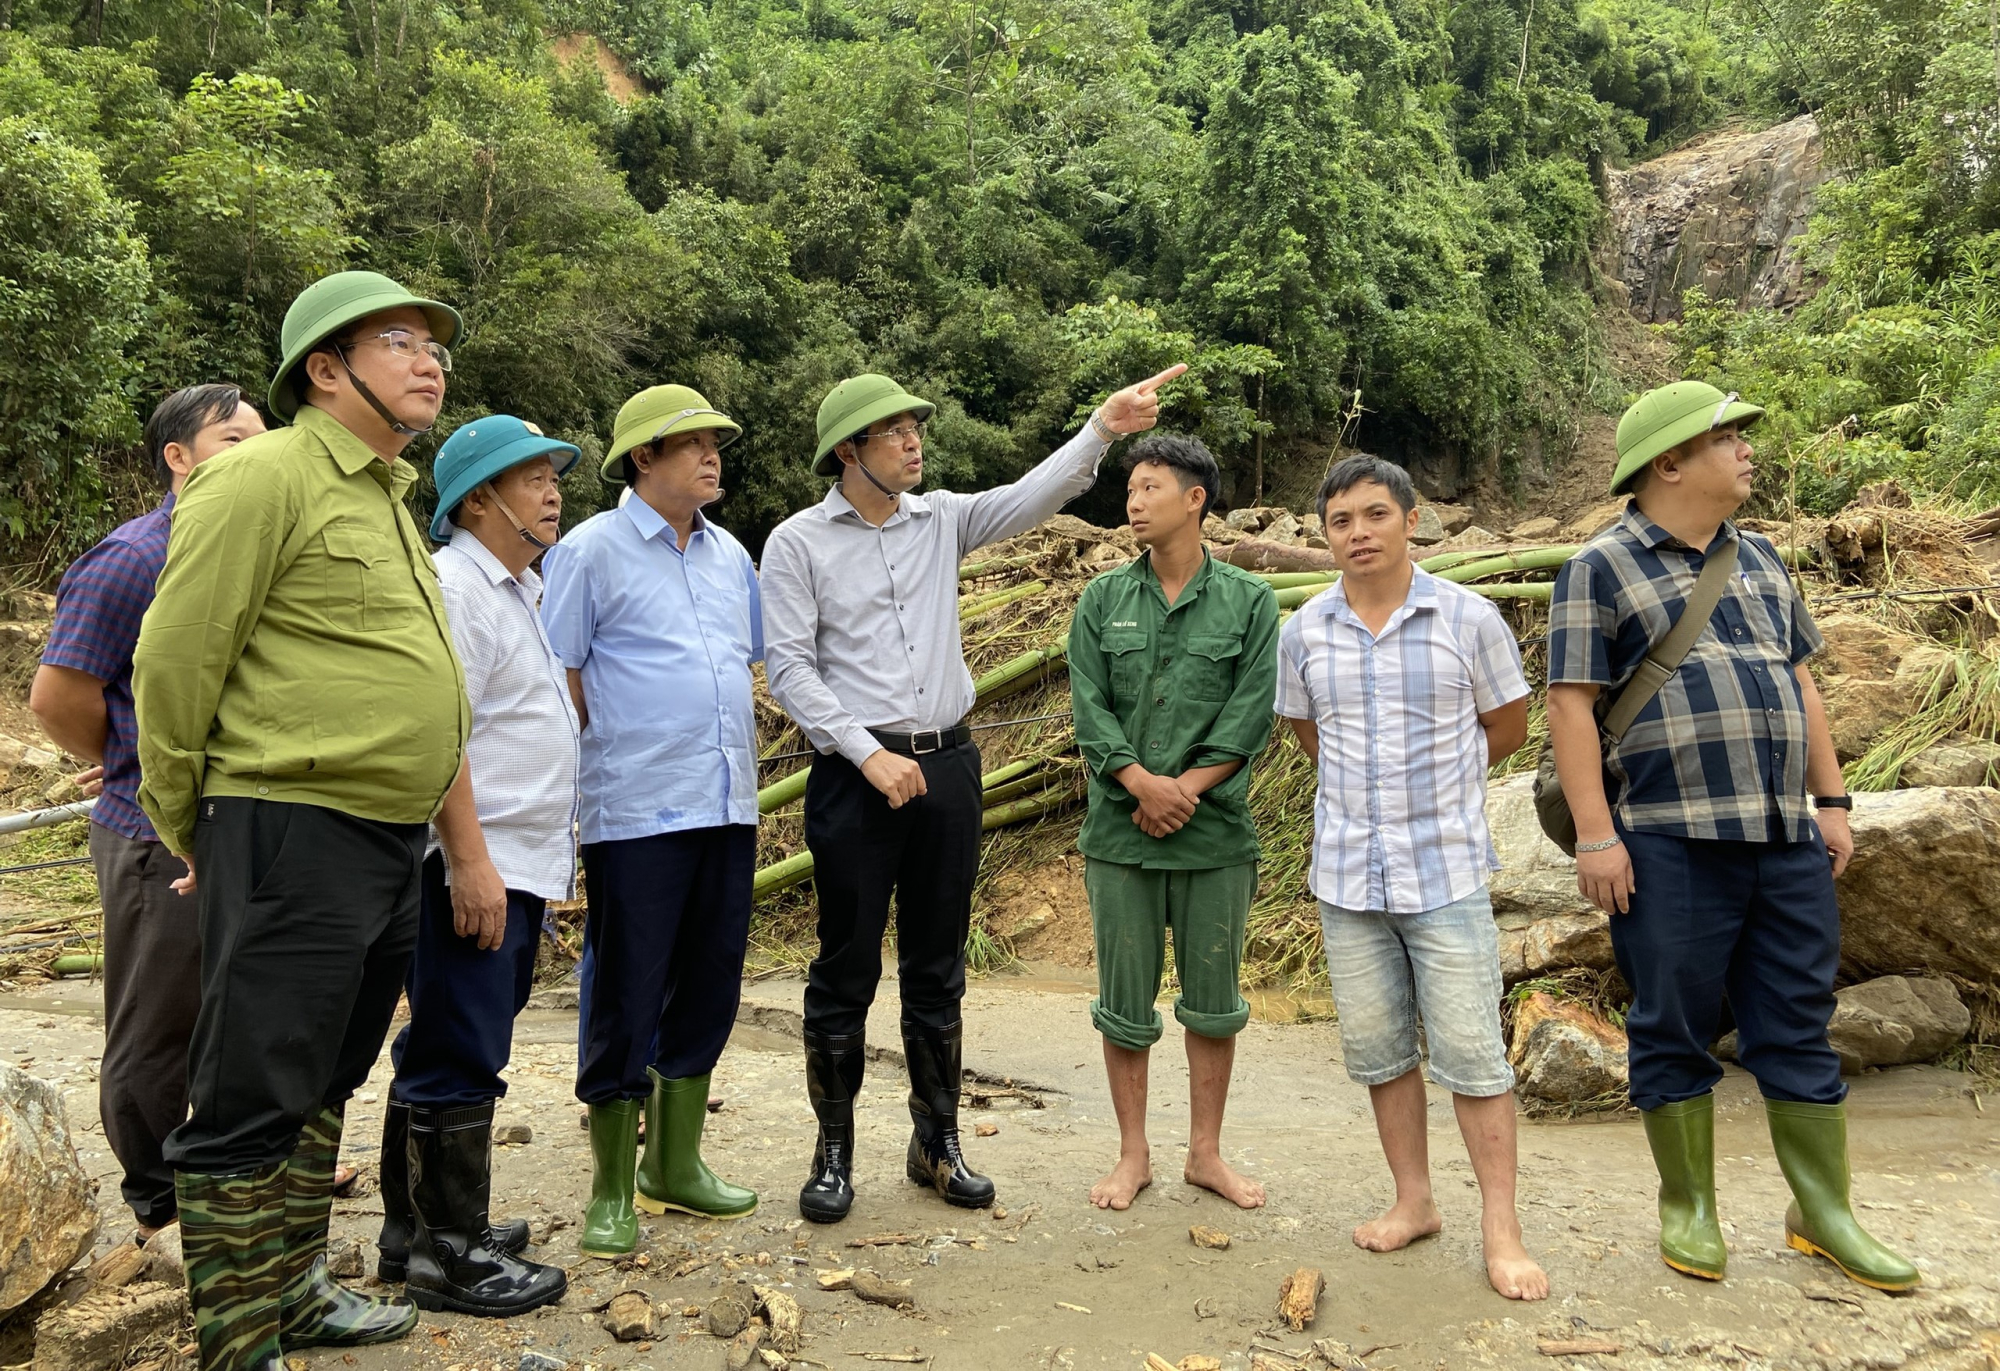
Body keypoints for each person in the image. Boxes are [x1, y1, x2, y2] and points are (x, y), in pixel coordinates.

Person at [133, 270, 470, 1371]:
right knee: (248, 1088)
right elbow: (176, 660)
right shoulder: (261, 478)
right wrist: (190, 824)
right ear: (325, 370)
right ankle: (236, 1347)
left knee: (323, 1075)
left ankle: (297, 1296)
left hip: (381, 836)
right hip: (288, 819)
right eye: (398, 342)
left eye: (433, 345)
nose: (430, 361)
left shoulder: (384, 495)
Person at [762, 364, 1185, 1224]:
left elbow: (1035, 494)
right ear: (848, 451)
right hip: (855, 776)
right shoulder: (797, 542)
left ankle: (936, 1141)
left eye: (916, 427)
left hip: (949, 769)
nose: (914, 440)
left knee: (937, 961)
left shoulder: (942, 519)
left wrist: (1103, 427)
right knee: (844, 966)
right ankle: (833, 1151)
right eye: (893, 432)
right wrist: (865, 753)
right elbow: (791, 668)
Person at [1545, 381, 1919, 1292]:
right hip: (1667, 838)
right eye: (1728, 435)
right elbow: (1569, 703)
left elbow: (1801, 685)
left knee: (1798, 1015)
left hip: (1781, 833)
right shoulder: (1600, 565)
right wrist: (1598, 837)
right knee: (1671, 1019)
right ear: (1668, 462)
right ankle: (1690, 1207)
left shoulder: (1757, 559)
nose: (1748, 448)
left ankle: (1823, 1212)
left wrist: (1831, 801)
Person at [1275, 455, 1547, 1302]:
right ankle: (1414, 1199)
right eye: (1341, 522)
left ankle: (1500, 1229)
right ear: (1326, 536)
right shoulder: (1306, 629)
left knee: (1473, 1055)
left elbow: (1506, 725)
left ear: (1412, 519)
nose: (1358, 533)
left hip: (1446, 871)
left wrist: (1434, 793)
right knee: (1382, 1050)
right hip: (1348, 876)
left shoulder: (1469, 618)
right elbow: (1302, 728)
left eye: (1374, 515)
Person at [32, 384, 265, 1246]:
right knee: (157, 1020)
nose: (256, 453)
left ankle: (224, 1165)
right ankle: (157, 1196)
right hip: (150, 831)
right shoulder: (134, 557)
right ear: (179, 456)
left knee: (232, 1008)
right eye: (234, 437)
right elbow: (58, 697)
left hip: (244, 823)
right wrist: (130, 757)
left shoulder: (254, 548)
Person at [540, 384, 763, 1258]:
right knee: (628, 987)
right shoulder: (590, 552)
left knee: (712, 975)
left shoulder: (728, 555)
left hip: (725, 800)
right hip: (635, 807)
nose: (713, 456)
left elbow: (739, 663)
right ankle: (609, 1186)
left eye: (716, 442)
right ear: (643, 458)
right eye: (694, 443)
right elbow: (561, 672)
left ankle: (677, 1163)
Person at [370, 416, 578, 1315]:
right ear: (479, 498)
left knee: (448, 1038)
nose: (552, 490)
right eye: (530, 477)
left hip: (516, 855)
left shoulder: (515, 586)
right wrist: (469, 859)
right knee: (461, 1051)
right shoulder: (457, 585)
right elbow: (441, 734)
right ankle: (449, 1255)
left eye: (552, 476)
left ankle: (412, 1229)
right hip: (479, 857)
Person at [1066, 435, 1278, 1213]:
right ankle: (1133, 1153)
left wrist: (1183, 788)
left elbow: (1251, 708)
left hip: (1212, 833)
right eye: (1130, 488)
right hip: (1121, 835)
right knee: (1123, 1001)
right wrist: (1138, 783)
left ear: (1196, 499)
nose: (1133, 500)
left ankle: (1206, 1153)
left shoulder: (1250, 603)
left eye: (1151, 486)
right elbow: (1089, 708)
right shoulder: (1101, 602)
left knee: (1214, 1001)